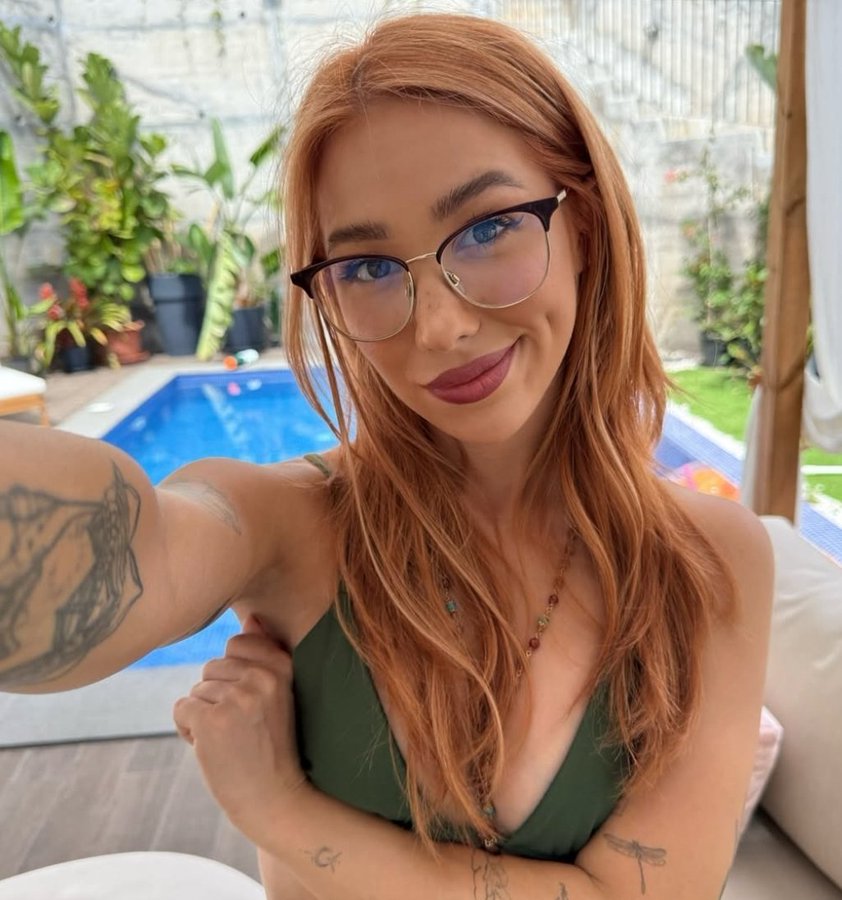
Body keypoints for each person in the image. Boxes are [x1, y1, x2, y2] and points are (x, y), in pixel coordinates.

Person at [0, 12, 772, 900]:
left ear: (585, 228)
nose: (439, 326)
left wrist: (280, 812)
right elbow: (141, 552)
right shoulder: (288, 527)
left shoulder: (711, 565)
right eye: (366, 268)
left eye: (486, 229)